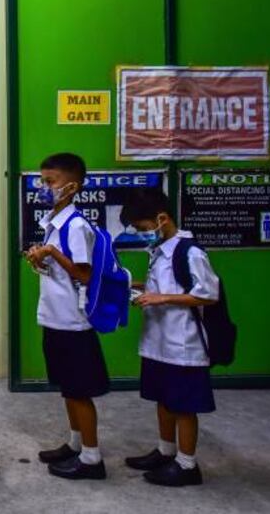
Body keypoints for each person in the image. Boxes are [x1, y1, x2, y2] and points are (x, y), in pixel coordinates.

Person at [121, 187, 219, 487]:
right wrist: (129, 284)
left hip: (182, 343)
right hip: (158, 342)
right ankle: (166, 451)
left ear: (162, 218)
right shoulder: (159, 250)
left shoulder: (190, 252)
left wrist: (160, 299)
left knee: (183, 405)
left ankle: (187, 465)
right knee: (163, 399)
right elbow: (161, 284)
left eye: (142, 228)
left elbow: (208, 294)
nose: (141, 234)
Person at [26, 152, 109, 481]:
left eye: (51, 182)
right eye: (42, 181)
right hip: (56, 318)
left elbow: (85, 275)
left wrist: (52, 252)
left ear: (72, 187)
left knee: (79, 392)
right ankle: (75, 443)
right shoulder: (53, 223)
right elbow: (62, 271)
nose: (44, 187)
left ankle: (92, 458)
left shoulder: (75, 226)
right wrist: (40, 257)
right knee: (67, 388)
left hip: (74, 323)